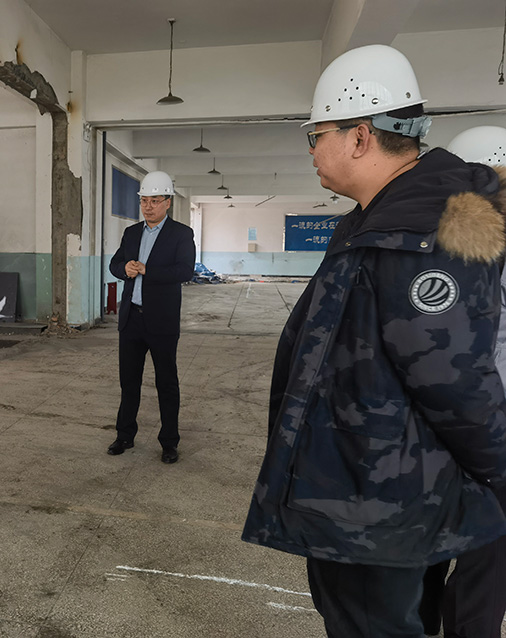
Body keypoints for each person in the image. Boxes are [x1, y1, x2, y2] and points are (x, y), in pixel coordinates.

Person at [241, 45, 506, 638]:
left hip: (380, 500)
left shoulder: (421, 231)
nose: (312, 150)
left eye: (317, 135)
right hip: (352, 487)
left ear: (360, 136)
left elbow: (455, 381)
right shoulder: (371, 221)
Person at [417, 126, 506, 638]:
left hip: (469, 425)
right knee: (473, 561)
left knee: (462, 558)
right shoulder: (452, 244)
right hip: (469, 425)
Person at [107, 171, 195, 464]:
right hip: (131, 319)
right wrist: (124, 269)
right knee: (128, 382)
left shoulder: (181, 234)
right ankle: (124, 435)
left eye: (155, 201)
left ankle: (169, 442)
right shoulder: (132, 233)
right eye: (144, 201)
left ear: (168, 202)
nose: (148, 206)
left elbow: (185, 271)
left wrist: (148, 270)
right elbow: (114, 263)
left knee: (166, 383)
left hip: (162, 321)